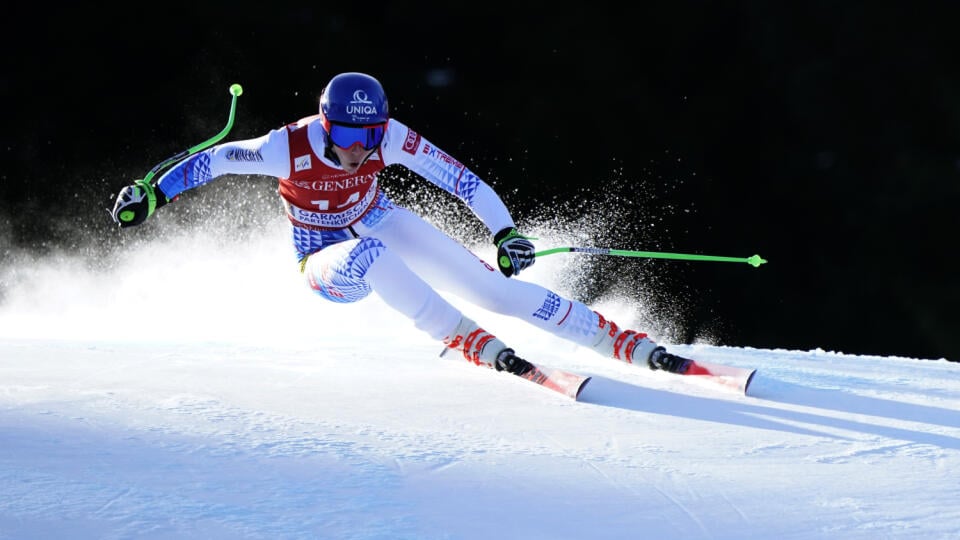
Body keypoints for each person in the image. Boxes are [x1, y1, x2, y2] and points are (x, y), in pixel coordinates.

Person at [110, 72, 691, 378]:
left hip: (378, 218)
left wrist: (505, 232)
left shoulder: (389, 137)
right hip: (322, 256)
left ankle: (618, 340)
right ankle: (460, 337)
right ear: (326, 124)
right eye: (348, 137)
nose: (361, 150)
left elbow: (461, 180)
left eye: (370, 137)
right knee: (375, 261)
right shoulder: (286, 147)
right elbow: (213, 160)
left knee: (495, 287)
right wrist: (152, 192)